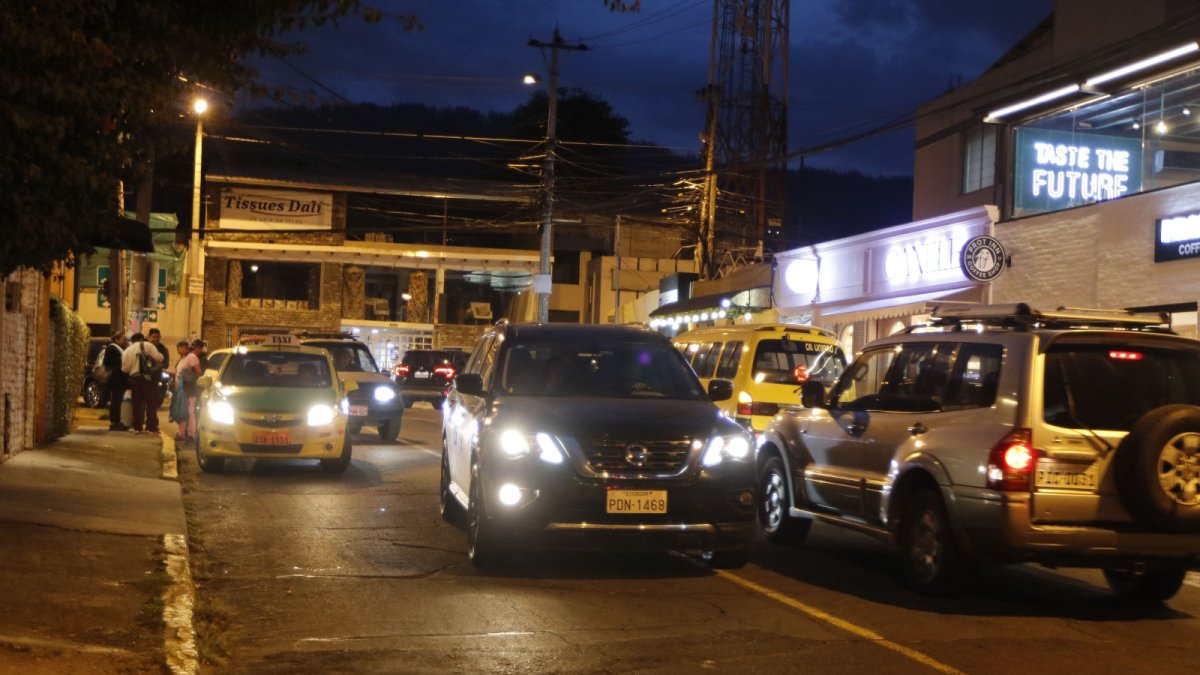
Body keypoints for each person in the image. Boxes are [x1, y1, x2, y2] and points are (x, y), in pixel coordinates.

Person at [122, 332, 163, 435]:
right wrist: (161, 356)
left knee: (137, 403)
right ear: (142, 338)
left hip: (135, 379)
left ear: (132, 341)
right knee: (151, 403)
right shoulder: (148, 345)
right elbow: (158, 358)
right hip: (149, 379)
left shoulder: (126, 351)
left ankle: (137, 427)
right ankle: (151, 426)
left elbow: (124, 369)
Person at [175, 340, 204, 443]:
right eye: (179, 347)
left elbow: (198, 371)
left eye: (182, 347)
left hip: (189, 389)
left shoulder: (192, 357)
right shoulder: (182, 359)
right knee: (182, 412)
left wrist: (189, 378)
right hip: (182, 389)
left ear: (187, 347)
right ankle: (181, 433)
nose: (180, 349)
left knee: (189, 411)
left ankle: (191, 434)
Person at [102, 331, 130, 431]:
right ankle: (115, 422)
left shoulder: (118, 348)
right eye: (123, 338)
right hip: (116, 379)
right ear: (116, 339)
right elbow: (108, 361)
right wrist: (122, 359)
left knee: (118, 401)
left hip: (119, 379)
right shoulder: (112, 348)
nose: (125, 340)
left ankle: (117, 421)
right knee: (116, 401)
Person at [147, 328, 170, 411]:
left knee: (165, 380)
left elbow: (166, 362)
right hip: (146, 374)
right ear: (149, 337)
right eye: (153, 337)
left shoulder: (163, 349)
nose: (156, 339)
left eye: (157, 337)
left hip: (158, 373)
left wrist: (159, 367)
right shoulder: (145, 347)